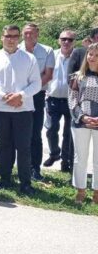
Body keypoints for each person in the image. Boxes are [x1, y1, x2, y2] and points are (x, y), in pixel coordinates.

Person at [0, 25, 41, 195]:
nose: (11, 39)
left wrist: (20, 96)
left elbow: (36, 83)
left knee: (23, 147)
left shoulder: (29, 58)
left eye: (15, 36)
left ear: (19, 37)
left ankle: (25, 183)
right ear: (2, 37)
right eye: (8, 36)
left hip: (23, 109)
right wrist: (4, 96)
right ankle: (5, 180)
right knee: (4, 145)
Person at [20, 23, 55, 181]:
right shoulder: (16, 49)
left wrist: (30, 89)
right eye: (26, 33)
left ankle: (35, 169)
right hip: (18, 96)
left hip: (37, 96)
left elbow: (47, 75)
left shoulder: (47, 51)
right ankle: (20, 167)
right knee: (18, 134)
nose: (28, 36)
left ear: (37, 34)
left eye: (31, 33)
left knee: (35, 134)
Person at [68, 42, 98, 204]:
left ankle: (97, 193)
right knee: (80, 158)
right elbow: (72, 100)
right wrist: (82, 117)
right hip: (81, 122)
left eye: (96, 55)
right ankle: (80, 190)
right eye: (90, 54)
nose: (92, 58)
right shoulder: (78, 77)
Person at [44, 30, 77, 173]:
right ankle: (54, 154)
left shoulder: (79, 57)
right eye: (63, 39)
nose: (66, 42)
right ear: (59, 40)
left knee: (68, 134)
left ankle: (66, 161)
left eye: (70, 39)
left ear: (74, 42)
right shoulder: (52, 55)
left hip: (71, 101)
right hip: (53, 100)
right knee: (51, 129)